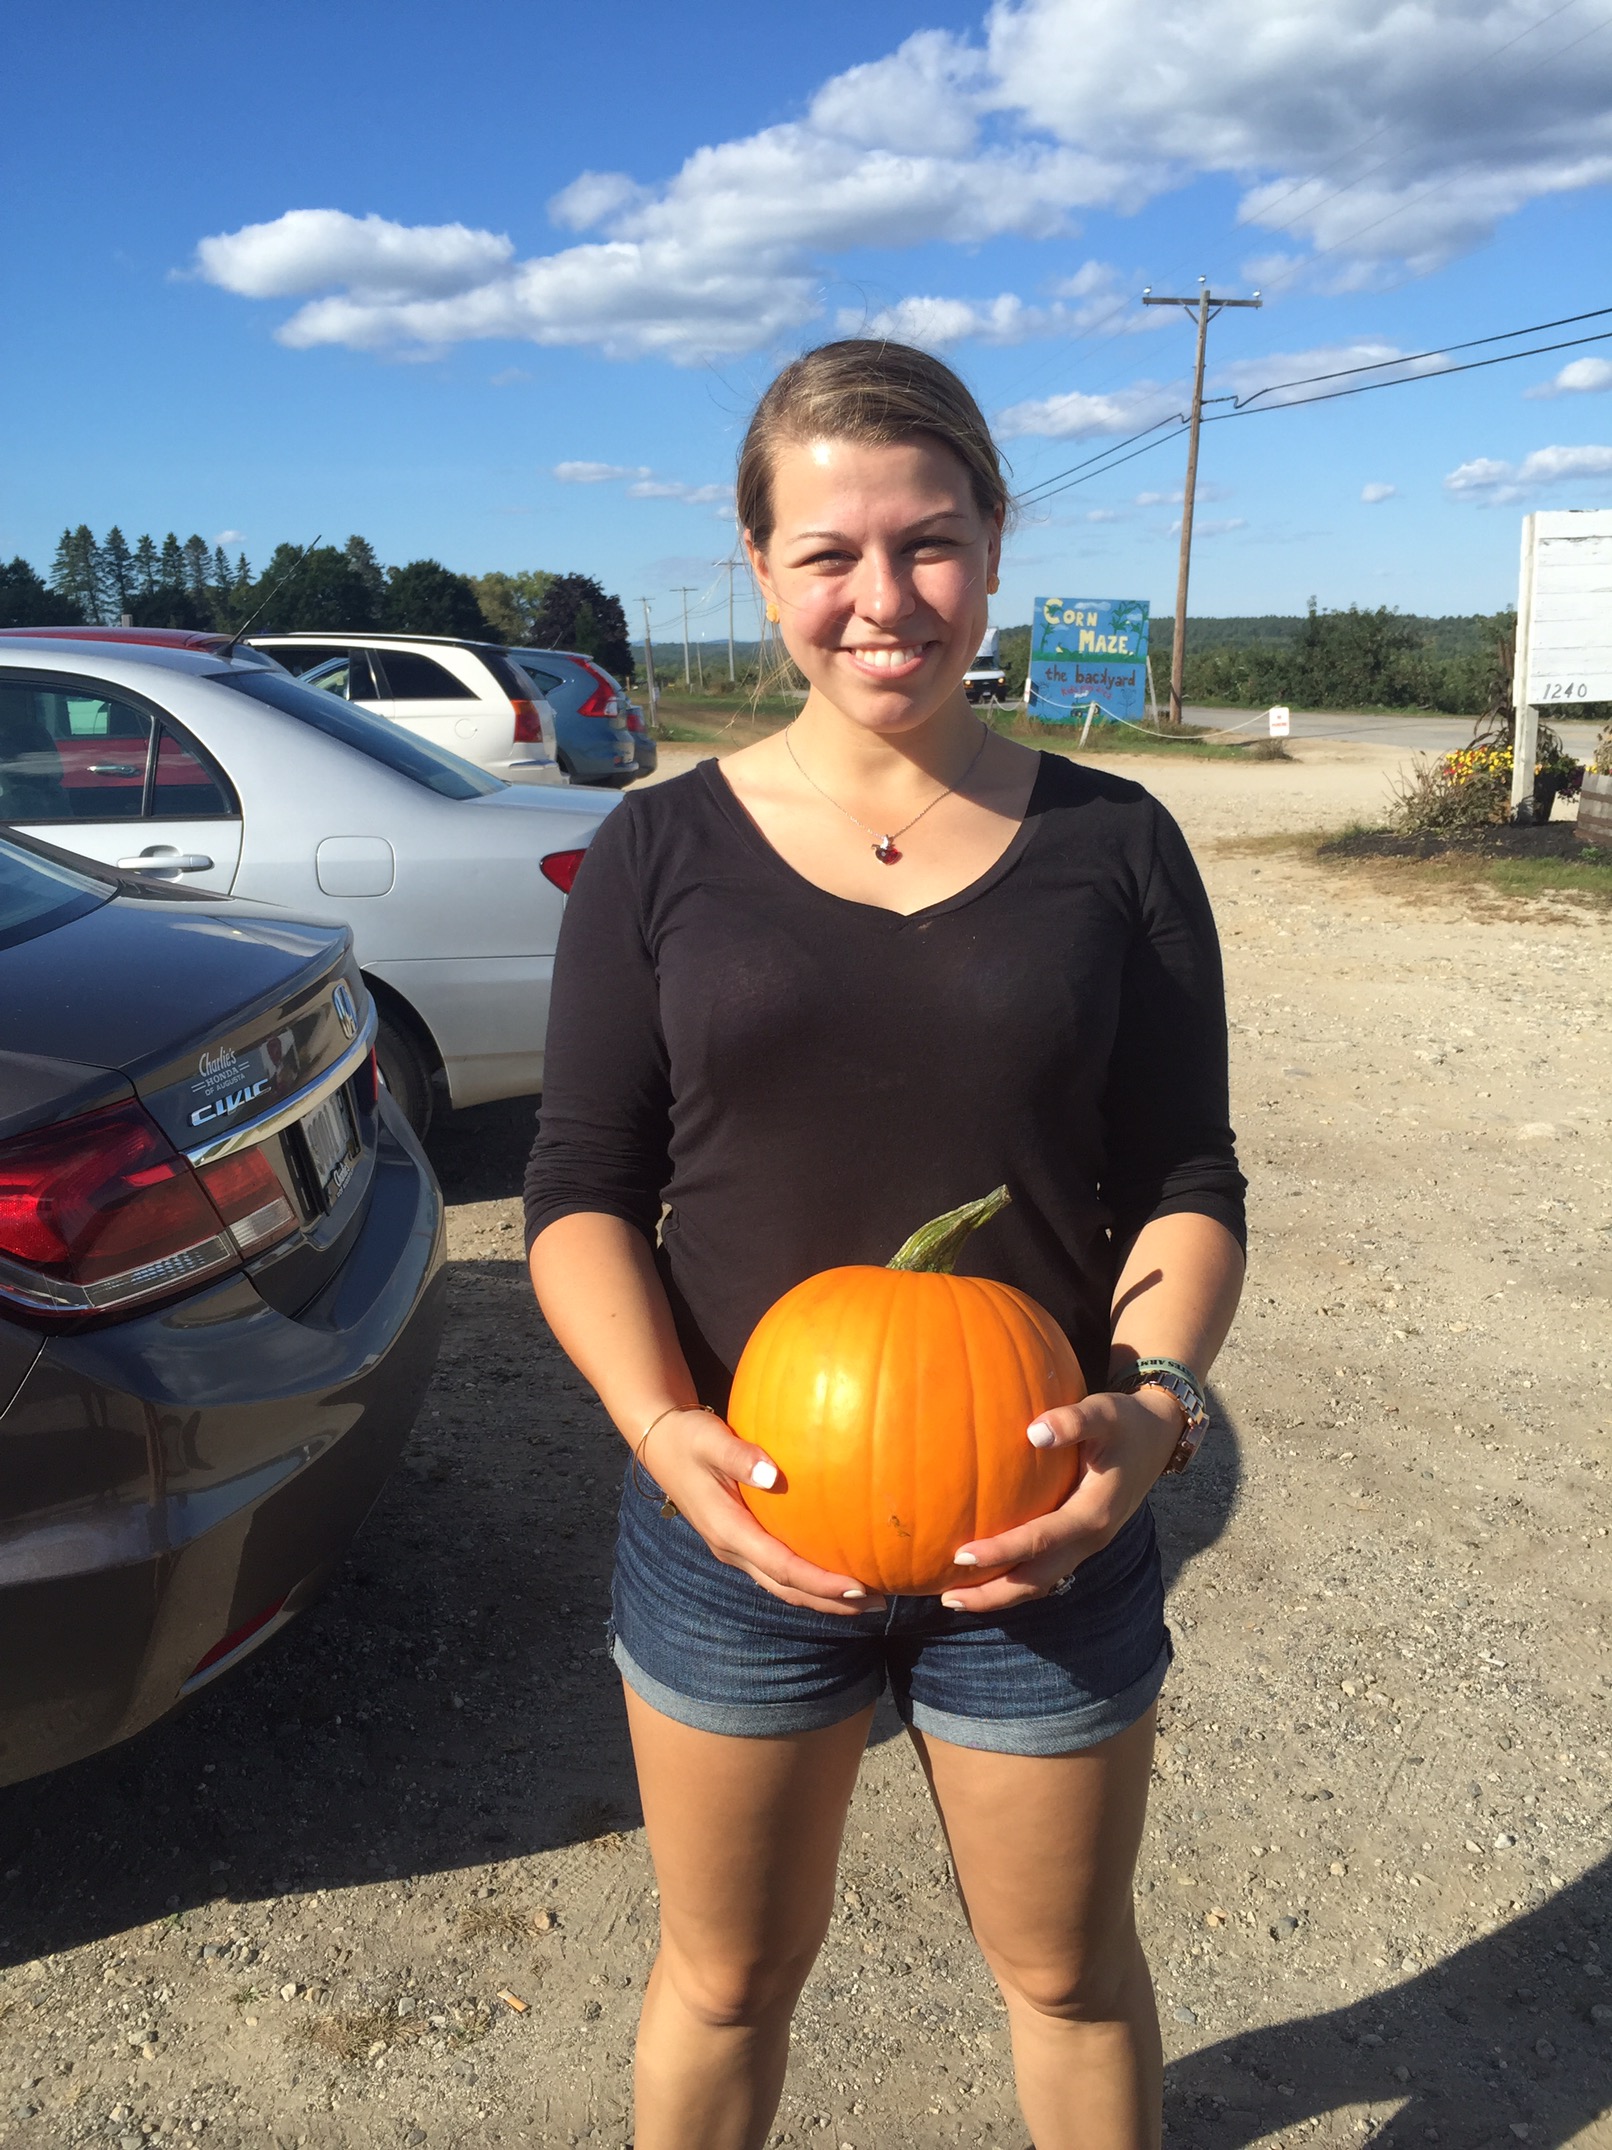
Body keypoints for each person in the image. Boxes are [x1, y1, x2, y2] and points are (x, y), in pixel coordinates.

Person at [525, 338, 1246, 2150]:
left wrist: (1155, 1408)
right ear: (759, 564)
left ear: (994, 543)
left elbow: (1185, 1173)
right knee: (724, 1978)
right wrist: (660, 1432)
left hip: (1043, 1509)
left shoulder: (1116, 845)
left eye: (927, 542)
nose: (884, 597)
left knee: (1068, 1974)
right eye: (829, 553)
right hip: (738, 1516)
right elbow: (581, 1185)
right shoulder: (657, 851)